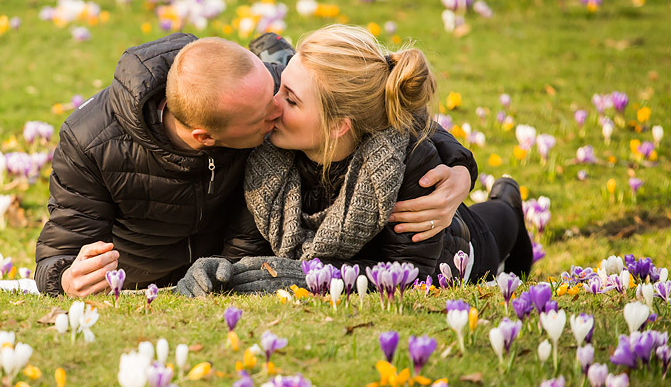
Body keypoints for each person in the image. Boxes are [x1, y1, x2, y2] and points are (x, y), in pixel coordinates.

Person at [34, 32, 479, 296]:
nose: (275, 108)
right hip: (147, 280)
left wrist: (461, 167)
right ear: (206, 138)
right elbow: (58, 254)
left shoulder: (242, 83)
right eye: (263, 113)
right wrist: (67, 280)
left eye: (279, 89)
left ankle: (504, 210)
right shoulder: (90, 143)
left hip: (250, 256)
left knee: (487, 229)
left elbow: (370, 96)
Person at [177, 24, 532, 296]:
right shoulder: (269, 152)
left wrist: (306, 278)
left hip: (455, 251)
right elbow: (244, 252)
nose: (271, 104)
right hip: (357, 262)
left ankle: (509, 204)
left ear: (337, 126)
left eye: (291, 100)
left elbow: (411, 274)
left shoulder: (406, 162)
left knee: (499, 223)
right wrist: (218, 272)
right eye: (279, 86)